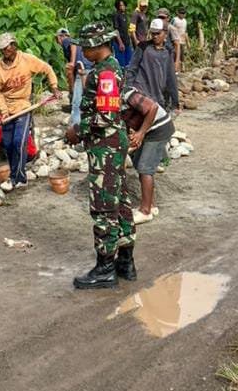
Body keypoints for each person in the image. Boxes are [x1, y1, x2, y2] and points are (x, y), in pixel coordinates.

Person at [65, 21, 135, 289]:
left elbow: (105, 116)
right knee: (121, 202)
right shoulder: (110, 67)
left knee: (104, 205)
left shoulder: (105, 73)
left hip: (105, 147)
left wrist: (78, 131)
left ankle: (105, 268)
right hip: (112, 144)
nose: (83, 52)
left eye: (86, 47)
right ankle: (125, 261)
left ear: (97, 46)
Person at [0, 32, 60, 191]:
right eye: (2, 49)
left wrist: (54, 87)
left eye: (7, 48)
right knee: (8, 144)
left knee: (19, 142)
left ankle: (18, 178)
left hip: (24, 107)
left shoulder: (26, 60)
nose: (4, 52)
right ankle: (14, 175)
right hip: (7, 110)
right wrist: (4, 110)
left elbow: (47, 69)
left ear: (14, 46)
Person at [121, 84, 174, 223]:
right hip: (150, 130)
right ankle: (151, 205)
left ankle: (145, 211)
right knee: (139, 162)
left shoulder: (126, 94)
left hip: (159, 129)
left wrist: (141, 133)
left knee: (145, 168)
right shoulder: (113, 101)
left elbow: (153, 108)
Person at [125, 18, 180, 114]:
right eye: (153, 33)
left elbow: (171, 76)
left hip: (159, 95)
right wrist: (129, 89)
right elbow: (132, 68)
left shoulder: (168, 51)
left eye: (158, 33)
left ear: (165, 33)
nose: (155, 36)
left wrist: (175, 101)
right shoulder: (143, 47)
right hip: (142, 91)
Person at [112, 0, 133, 67]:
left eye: (123, 5)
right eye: (120, 5)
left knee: (129, 62)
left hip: (127, 41)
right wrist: (120, 43)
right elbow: (116, 30)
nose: (122, 7)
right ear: (117, 6)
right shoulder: (116, 15)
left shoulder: (125, 15)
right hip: (119, 43)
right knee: (122, 64)